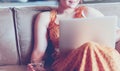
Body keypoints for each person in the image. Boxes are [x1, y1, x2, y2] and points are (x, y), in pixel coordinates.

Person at [27, 0, 120, 71]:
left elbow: (117, 32)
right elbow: (39, 51)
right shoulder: (45, 17)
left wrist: (96, 43)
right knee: (89, 46)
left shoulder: (88, 12)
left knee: (90, 46)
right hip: (65, 60)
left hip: (98, 55)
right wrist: (35, 66)